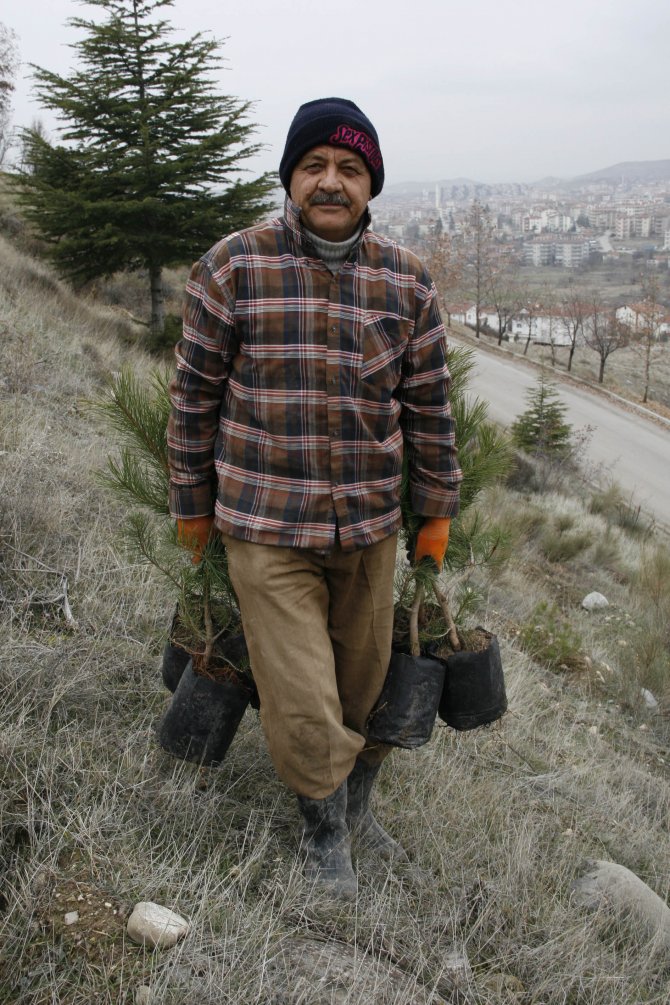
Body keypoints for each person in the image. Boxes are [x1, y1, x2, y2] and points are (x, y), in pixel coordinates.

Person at [167, 97, 462, 900]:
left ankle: (356, 800)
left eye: (350, 169)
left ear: (371, 185)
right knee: (301, 691)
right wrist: (193, 505)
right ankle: (323, 831)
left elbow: (430, 407)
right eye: (314, 166)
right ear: (290, 177)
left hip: (367, 527)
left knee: (362, 682)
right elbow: (193, 397)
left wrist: (434, 514)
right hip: (264, 523)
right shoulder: (235, 266)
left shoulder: (407, 282)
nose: (331, 182)